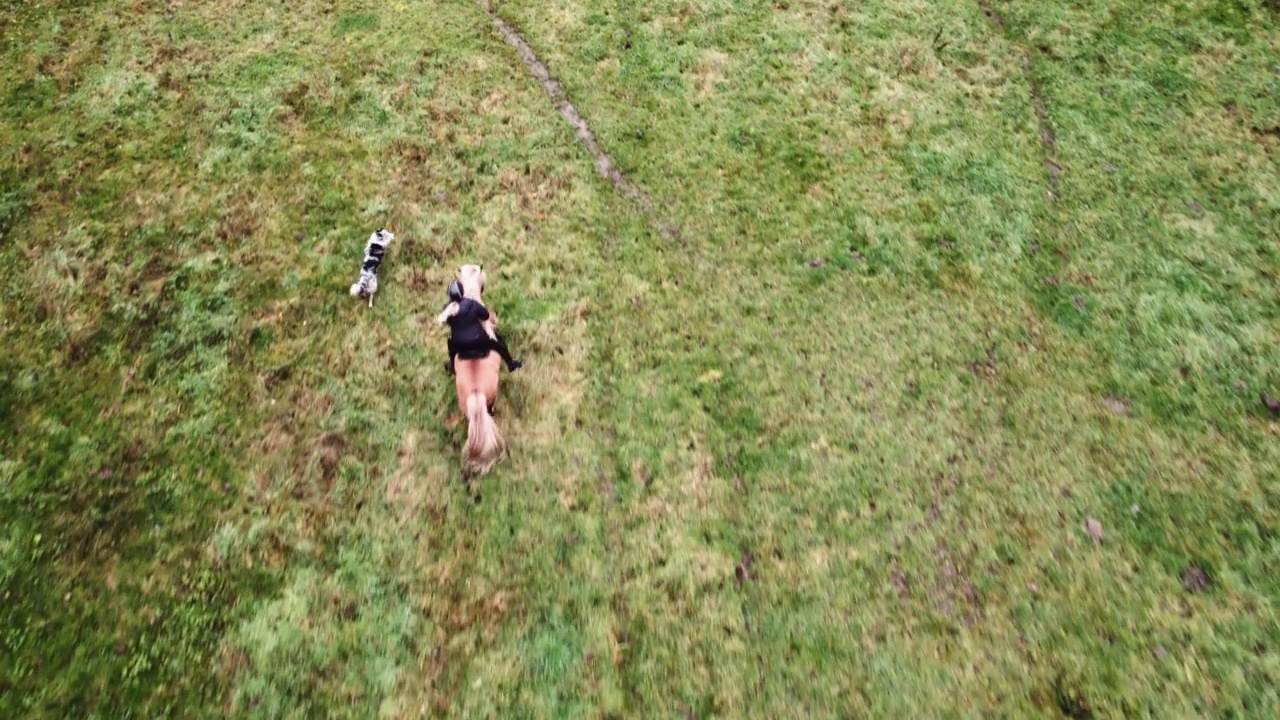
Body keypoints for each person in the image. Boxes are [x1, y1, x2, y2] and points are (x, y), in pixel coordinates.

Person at [439, 281, 523, 375]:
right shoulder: (471, 303)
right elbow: (485, 315)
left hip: (460, 345)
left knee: (450, 343)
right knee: (498, 340)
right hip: (479, 341)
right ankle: (510, 363)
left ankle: (452, 366)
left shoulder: (447, 309)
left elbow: (445, 322)